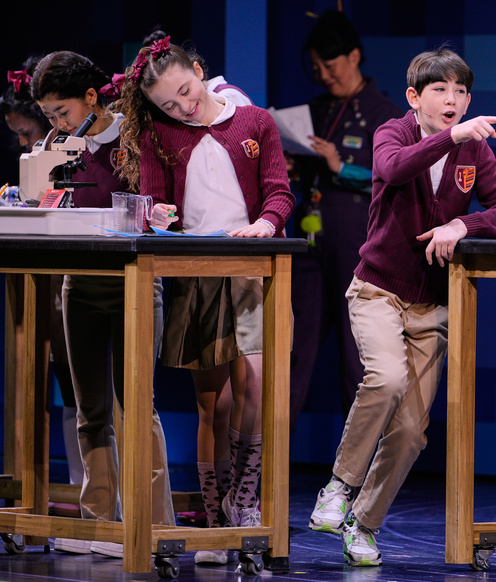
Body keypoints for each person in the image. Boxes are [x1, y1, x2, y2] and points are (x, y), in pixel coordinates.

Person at [306, 47, 496, 567]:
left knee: (410, 432)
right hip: (378, 290)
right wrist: (451, 137)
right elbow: (392, 168)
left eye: (461, 92)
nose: (453, 101)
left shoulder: (475, 150)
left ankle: (364, 522)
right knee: (384, 379)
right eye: (441, 91)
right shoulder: (395, 131)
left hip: (432, 308)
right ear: (414, 98)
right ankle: (338, 486)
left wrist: (460, 225)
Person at [116, 37, 294, 567]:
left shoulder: (255, 122)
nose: (183, 107)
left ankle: (244, 500)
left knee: (255, 383)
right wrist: (159, 216)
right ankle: (215, 518)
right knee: (211, 401)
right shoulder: (161, 134)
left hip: (250, 266)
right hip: (195, 272)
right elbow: (152, 203)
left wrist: (266, 223)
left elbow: (279, 191)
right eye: (169, 104)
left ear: (199, 71)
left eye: (187, 92)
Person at [30, 50, 176, 558]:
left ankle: (155, 522)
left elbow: (156, 204)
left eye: (62, 112)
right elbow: (41, 200)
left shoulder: (134, 138)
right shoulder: (58, 144)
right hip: (80, 284)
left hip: (135, 283)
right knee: (91, 409)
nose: (55, 123)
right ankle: (97, 523)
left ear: (93, 97)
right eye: (48, 116)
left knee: (138, 407)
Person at [289, 9, 403, 430]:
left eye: (330, 65)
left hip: (358, 249)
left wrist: (341, 166)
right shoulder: (314, 111)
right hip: (309, 246)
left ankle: (356, 476)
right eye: (316, 67)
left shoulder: (385, 115)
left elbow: (393, 180)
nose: (323, 75)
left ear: (354, 56)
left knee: (359, 361)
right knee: (291, 353)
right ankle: (265, 472)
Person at [2, 57, 88, 509]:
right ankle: (71, 488)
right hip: (44, 273)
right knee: (60, 377)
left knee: (85, 383)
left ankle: (91, 492)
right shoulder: (39, 159)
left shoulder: (81, 149)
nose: (25, 142)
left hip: (81, 276)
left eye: (29, 134)